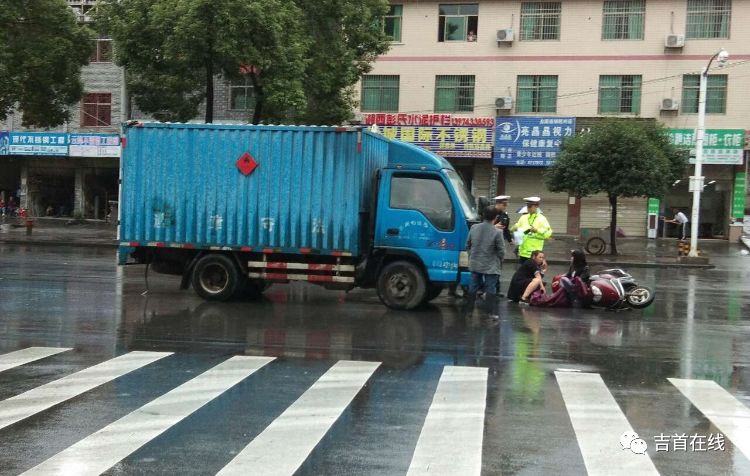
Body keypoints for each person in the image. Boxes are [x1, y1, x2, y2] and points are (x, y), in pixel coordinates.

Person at [466, 205, 505, 317]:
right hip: (491, 265)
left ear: (483, 215)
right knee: (490, 289)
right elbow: (501, 251)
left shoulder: (474, 228)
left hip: (475, 262)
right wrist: (500, 259)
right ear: (496, 217)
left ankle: (469, 311)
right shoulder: (497, 232)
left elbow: (467, 244)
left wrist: (471, 256)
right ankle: (489, 313)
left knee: (472, 287)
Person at [511, 197, 552, 263]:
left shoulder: (542, 219)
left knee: (533, 273)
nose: (528, 208)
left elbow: (548, 234)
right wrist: (513, 229)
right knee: (523, 273)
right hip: (523, 253)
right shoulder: (523, 217)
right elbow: (515, 229)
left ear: (536, 206)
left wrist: (537, 230)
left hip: (535, 254)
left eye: (530, 206)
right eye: (527, 206)